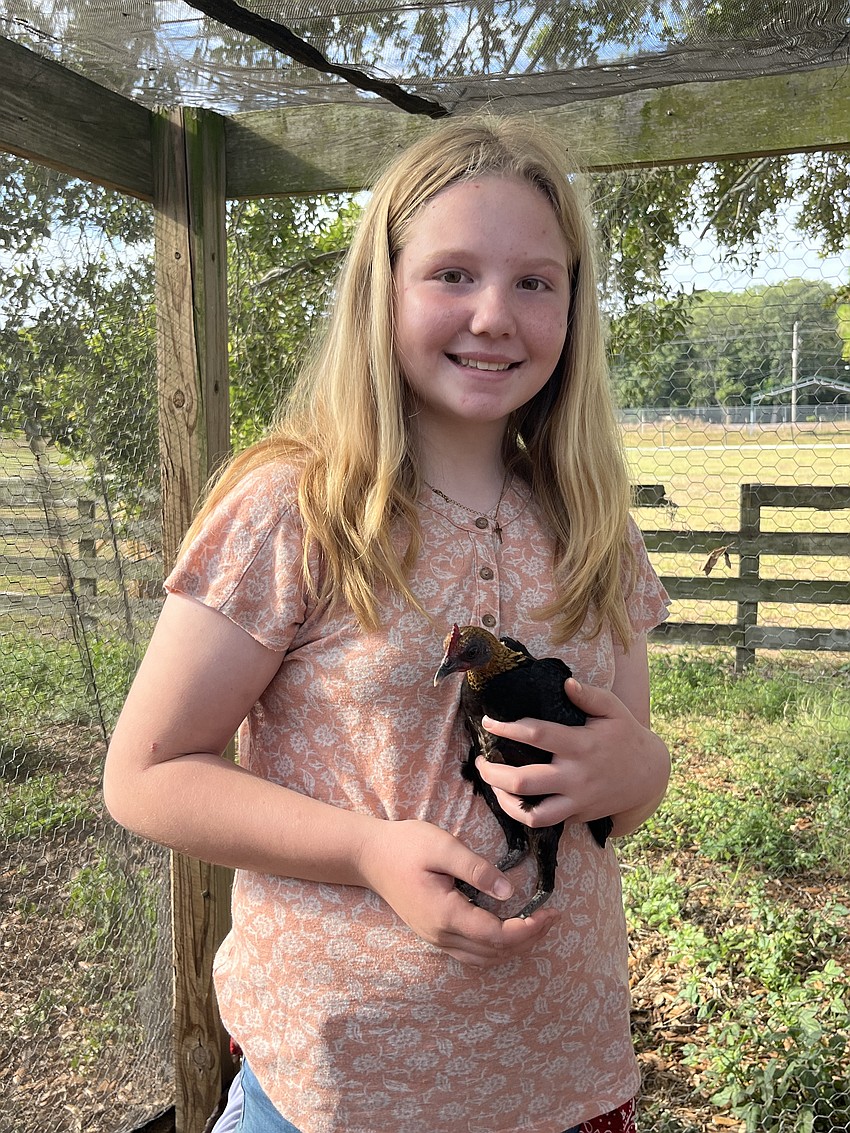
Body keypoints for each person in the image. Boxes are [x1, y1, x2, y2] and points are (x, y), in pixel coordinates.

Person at [103, 115, 671, 1133]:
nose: (495, 314)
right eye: (452, 273)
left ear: (573, 308)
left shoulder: (594, 524)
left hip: (562, 1074)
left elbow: (610, 796)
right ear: (384, 290)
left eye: (535, 281)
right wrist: (366, 850)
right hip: (338, 1087)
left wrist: (642, 774)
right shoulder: (296, 506)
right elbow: (146, 774)